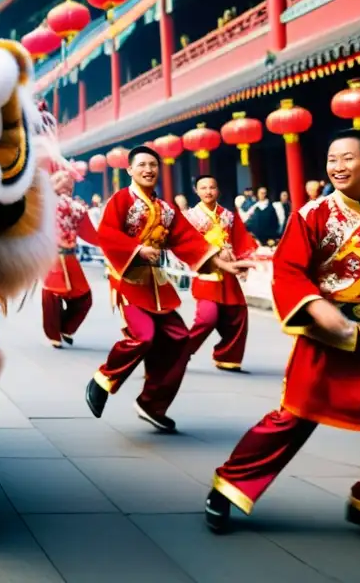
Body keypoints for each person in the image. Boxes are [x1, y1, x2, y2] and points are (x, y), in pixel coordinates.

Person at [205, 130, 360, 550]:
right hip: (325, 337)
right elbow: (288, 270)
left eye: (347, 158)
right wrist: (317, 308)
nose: (336, 166)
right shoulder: (312, 215)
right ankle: (228, 486)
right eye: (331, 158)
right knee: (291, 421)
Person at [84, 146, 252, 432]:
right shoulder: (121, 200)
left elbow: (187, 240)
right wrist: (137, 249)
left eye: (153, 165)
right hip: (128, 281)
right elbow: (107, 234)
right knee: (144, 336)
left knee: (179, 341)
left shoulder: (165, 209)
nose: (148, 170)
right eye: (142, 165)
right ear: (130, 170)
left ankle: (152, 403)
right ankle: (103, 379)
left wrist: (225, 266)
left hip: (156, 285)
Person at [185, 175, 258, 371]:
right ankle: (178, 353)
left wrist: (243, 260)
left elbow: (241, 239)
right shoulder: (191, 218)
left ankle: (227, 356)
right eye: (203, 188)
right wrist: (216, 253)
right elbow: (189, 245)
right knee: (207, 319)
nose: (208, 191)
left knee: (238, 315)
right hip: (206, 273)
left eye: (212, 187)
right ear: (196, 191)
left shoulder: (228, 215)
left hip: (228, 276)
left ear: (218, 190)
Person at [41, 153, 99, 349]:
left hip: (71, 258)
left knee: (85, 298)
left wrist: (113, 241)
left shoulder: (78, 209)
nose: (66, 185)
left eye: (69, 182)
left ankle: (66, 327)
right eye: (61, 181)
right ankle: (53, 333)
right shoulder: (42, 206)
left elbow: (91, 235)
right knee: (51, 296)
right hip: (50, 257)